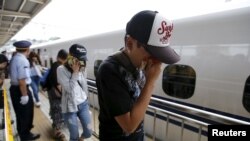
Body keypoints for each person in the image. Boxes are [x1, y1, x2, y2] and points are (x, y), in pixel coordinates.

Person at [96, 10, 180, 141]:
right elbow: (129, 126)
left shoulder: (138, 64)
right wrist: (150, 82)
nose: (156, 60)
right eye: (152, 53)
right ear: (130, 43)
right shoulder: (110, 70)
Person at [57, 44, 92, 141]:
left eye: (82, 59)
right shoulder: (61, 70)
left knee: (89, 132)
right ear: (70, 57)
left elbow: (84, 85)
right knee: (74, 135)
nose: (80, 62)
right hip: (69, 107)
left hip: (83, 104)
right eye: (78, 59)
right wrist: (75, 73)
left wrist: (86, 99)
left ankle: (81, 139)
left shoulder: (82, 68)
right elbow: (69, 88)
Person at [9, 40, 40, 141]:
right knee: (26, 113)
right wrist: (25, 95)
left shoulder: (14, 58)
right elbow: (22, 80)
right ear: (27, 50)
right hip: (20, 89)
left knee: (19, 113)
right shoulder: (23, 60)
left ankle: (22, 131)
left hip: (14, 89)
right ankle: (26, 136)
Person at [47, 49, 68, 140]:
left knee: (55, 109)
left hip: (52, 91)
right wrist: (64, 93)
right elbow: (58, 83)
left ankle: (55, 126)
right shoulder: (59, 67)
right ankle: (57, 132)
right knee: (58, 110)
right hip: (56, 93)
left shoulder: (54, 65)